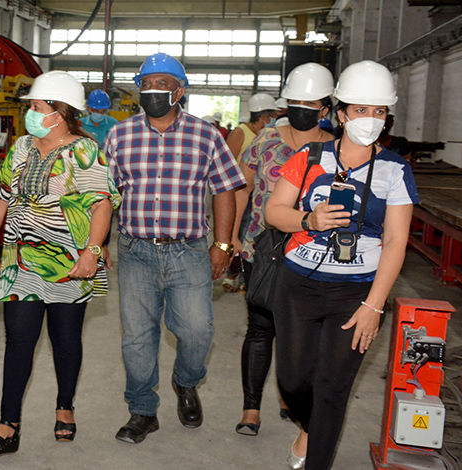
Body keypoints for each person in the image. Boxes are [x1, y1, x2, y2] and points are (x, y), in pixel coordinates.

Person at [265, 60, 418, 470]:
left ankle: (317, 457)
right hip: (298, 284)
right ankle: (311, 426)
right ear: (340, 113)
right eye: (361, 109)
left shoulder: (394, 169)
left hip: (356, 292)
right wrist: (307, 220)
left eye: (379, 111)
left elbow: (396, 241)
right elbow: (274, 211)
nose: (370, 119)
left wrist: (374, 305)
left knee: (333, 387)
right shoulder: (310, 156)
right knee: (293, 380)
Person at [0, 71, 121, 457]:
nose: (32, 114)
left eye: (39, 108)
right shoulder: (22, 147)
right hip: (21, 261)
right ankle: (8, 424)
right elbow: (1, 196)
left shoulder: (86, 151)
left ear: (59, 113)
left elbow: (102, 203)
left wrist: (93, 250)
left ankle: (65, 406)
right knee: (19, 339)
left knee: (65, 339)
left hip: (69, 260)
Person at [104, 52, 245, 444]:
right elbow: (104, 194)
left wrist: (222, 242)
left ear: (180, 91)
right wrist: (96, 242)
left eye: (163, 84)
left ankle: (186, 382)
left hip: (189, 250)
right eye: (147, 83)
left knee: (197, 330)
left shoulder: (205, 134)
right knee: (136, 337)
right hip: (136, 250)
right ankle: (142, 411)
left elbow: (225, 189)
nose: (153, 90)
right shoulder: (119, 135)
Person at [232, 63, 335, 452]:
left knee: (304, 334)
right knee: (260, 327)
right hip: (265, 247)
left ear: (325, 108)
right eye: (294, 101)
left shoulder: (335, 150)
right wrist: (234, 237)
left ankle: (290, 397)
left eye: (310, 102)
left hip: (313, 254)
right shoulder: (265, 141)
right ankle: (251, 408)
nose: (301, 108)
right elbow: (243, 189)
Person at [224, 93, 280, 291]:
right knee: (237, 232)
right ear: (264, 115)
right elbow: (227, 160)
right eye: (271, 114)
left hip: (260, 195)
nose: (273, 117)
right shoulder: (241, 132)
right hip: (242, 192)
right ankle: (231, 274)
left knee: (254, 235)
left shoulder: (272, 133)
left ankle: (250, 275)